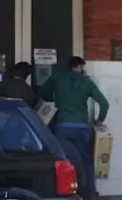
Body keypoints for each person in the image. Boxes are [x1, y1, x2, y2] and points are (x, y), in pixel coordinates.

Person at [36, 56, 108, 200]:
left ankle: (67, 192)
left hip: (62, 126)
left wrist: (54, 102)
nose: (83, 70)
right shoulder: (87, 82)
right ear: (77, 67)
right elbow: (104, 103)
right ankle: (90, 193)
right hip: (82, 127)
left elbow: (42, 93)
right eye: (82, 67)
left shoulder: (58, 78)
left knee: (64, 160)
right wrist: (100, 120)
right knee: (86, 161)